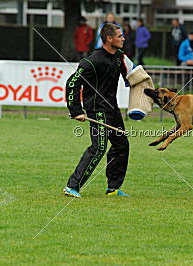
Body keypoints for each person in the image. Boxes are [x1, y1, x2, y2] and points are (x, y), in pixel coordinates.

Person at [64, 23, 133, 198]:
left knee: (121, 145)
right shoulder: (92, 61)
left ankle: (113, 188)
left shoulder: (119, 57)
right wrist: (76, 110)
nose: (123, 38)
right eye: (119, 36)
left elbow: (132, 77)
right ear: (109, 39)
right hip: (97, 110)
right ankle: (72, 187)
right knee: (99, 147)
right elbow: (72, 84)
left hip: (112, 109)